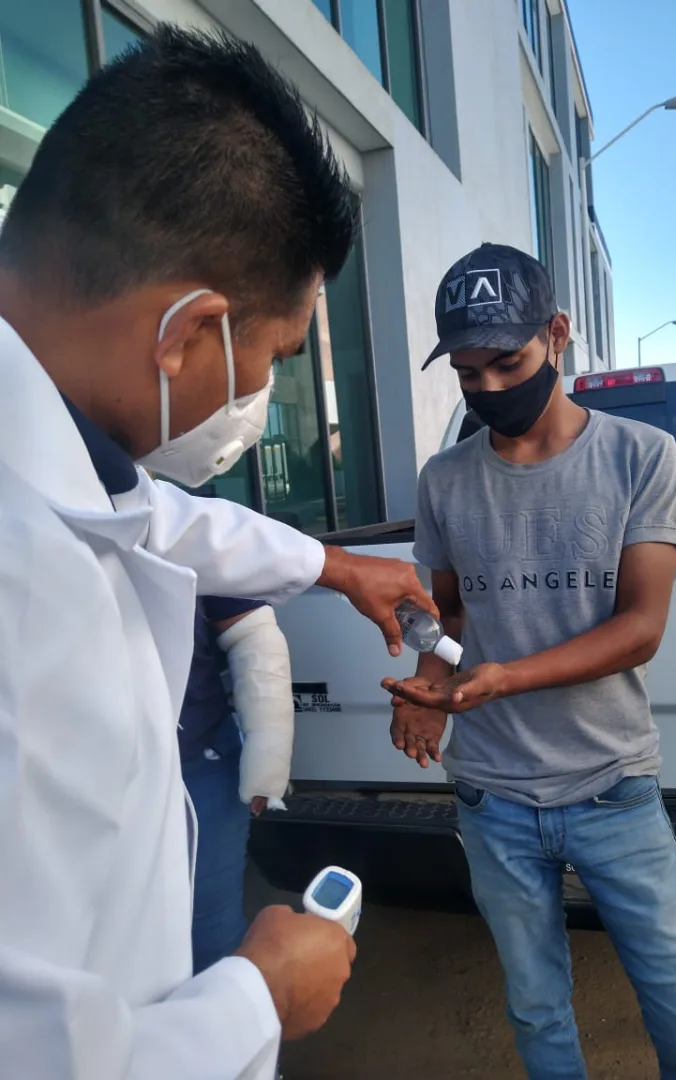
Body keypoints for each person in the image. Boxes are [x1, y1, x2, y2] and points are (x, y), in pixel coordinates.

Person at [0, 25, 438, 1080]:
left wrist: (338, 567)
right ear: (185, 333)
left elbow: (157, 517)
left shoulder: (61, 464)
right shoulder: (25, 593)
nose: (257, 400)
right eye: (274, 358)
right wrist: (258, 998)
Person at [383, 244, 676, 1080]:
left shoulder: (641, 457)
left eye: (507, 363)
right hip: (492, 794)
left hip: (613, 783)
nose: (488, 388)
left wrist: (505, 677)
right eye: (468, 373)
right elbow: (450, 615)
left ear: (558, 334)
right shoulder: (444, 480)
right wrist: (427, 688)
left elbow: (640, 627)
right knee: (536, 1006)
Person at [180, 596, 295, 974]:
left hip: (196, 762)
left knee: (211, 943)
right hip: (67, 773)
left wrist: (266, 767)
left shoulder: (200, 550)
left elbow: (249, 628)